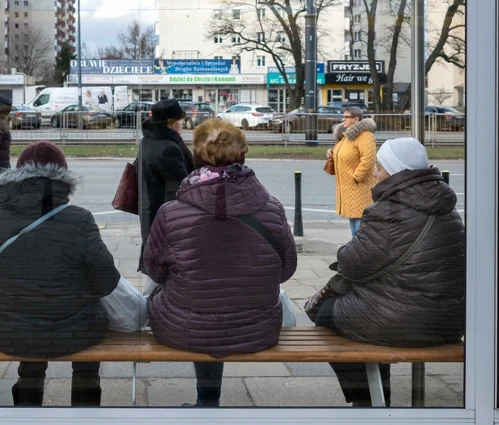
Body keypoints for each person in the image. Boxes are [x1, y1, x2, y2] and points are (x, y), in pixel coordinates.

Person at [143, 119, 298, 407]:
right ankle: (208, 399)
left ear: (196, 157)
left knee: (189, 302)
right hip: (257, 327)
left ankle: (207, 400)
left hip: (185, 327)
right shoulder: (272, 208)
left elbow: (155, 270)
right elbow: (286, 269)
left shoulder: (170, 212)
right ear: (242, 156)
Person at [314, 138, 465, 406]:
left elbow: (352, 263)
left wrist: (345, 250)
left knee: (325, 313)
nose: (375, 173)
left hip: (407, 323)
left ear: (395, 172)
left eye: (380, 167)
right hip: (449, 323)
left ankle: (368, 399)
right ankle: (376, 393)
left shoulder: (389, 211)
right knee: (372, 309)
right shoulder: (446, 206)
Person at [0, 142, 121, 406]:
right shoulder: (79, 219)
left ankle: (28, 405)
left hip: (5, 331)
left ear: (17, 174)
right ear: (63, 177)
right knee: (86, 346)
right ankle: (85, 409)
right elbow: (106, 281)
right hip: (75, 332)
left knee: (31, 336)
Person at [138, 98, 194, 271]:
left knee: (155, 265)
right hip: (167, 218)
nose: (182, 123)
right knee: (165, 268)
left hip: (151, 211)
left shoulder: (147, 140)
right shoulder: (169, 149)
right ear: (171, 123)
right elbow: (183, 187)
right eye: (180, 120)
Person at [326, 107, 377, 236]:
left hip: (359, 186)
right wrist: (332, 152)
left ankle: (360, 247)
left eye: (347, 117)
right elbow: (345, 152)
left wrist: (356, 177)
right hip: (349, 187)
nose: (343, 119)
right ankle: (356, 246)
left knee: (360, 222)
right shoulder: (347, 135)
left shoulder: (365, 136)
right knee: (354, 218)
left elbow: (368, 160)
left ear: (356, 119)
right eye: (343, 116)